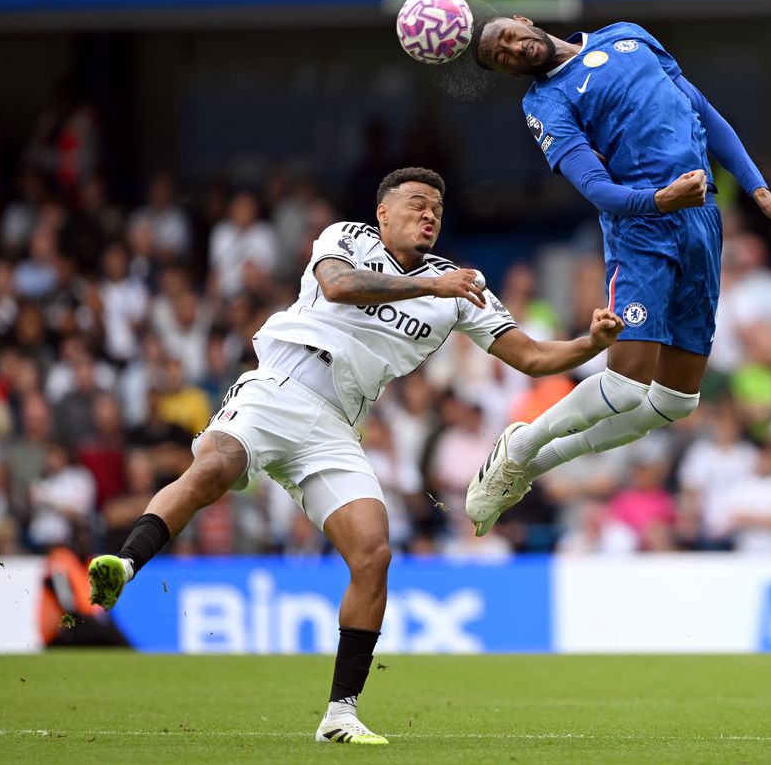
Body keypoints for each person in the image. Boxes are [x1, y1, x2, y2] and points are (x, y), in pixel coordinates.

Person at [87, 167, 622, 744]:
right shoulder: (348, 238)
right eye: (416, 203)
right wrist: (432, 288)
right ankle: (124, 564)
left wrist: (588, 344)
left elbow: (532, 356)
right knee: (217, 465)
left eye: (437, 209)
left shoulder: (459, 287)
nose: (429, 215)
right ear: (382, 213)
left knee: (373, 552)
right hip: (277, 388)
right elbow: (340, 286)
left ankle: (339, 715)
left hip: (336, 427)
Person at [465, 15, 771, 534]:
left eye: (508, 37)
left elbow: (702, 111)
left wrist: (759, 191)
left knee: (675, 402)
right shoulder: (545, 103)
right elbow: (596, 189)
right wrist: (660, 200)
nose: (513, 49)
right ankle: (523, 443)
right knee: (626, 388)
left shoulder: (628, 34)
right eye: (501, 57)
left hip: (701, 220)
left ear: (523, 21)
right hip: (642, 230)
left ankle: (528, 464)